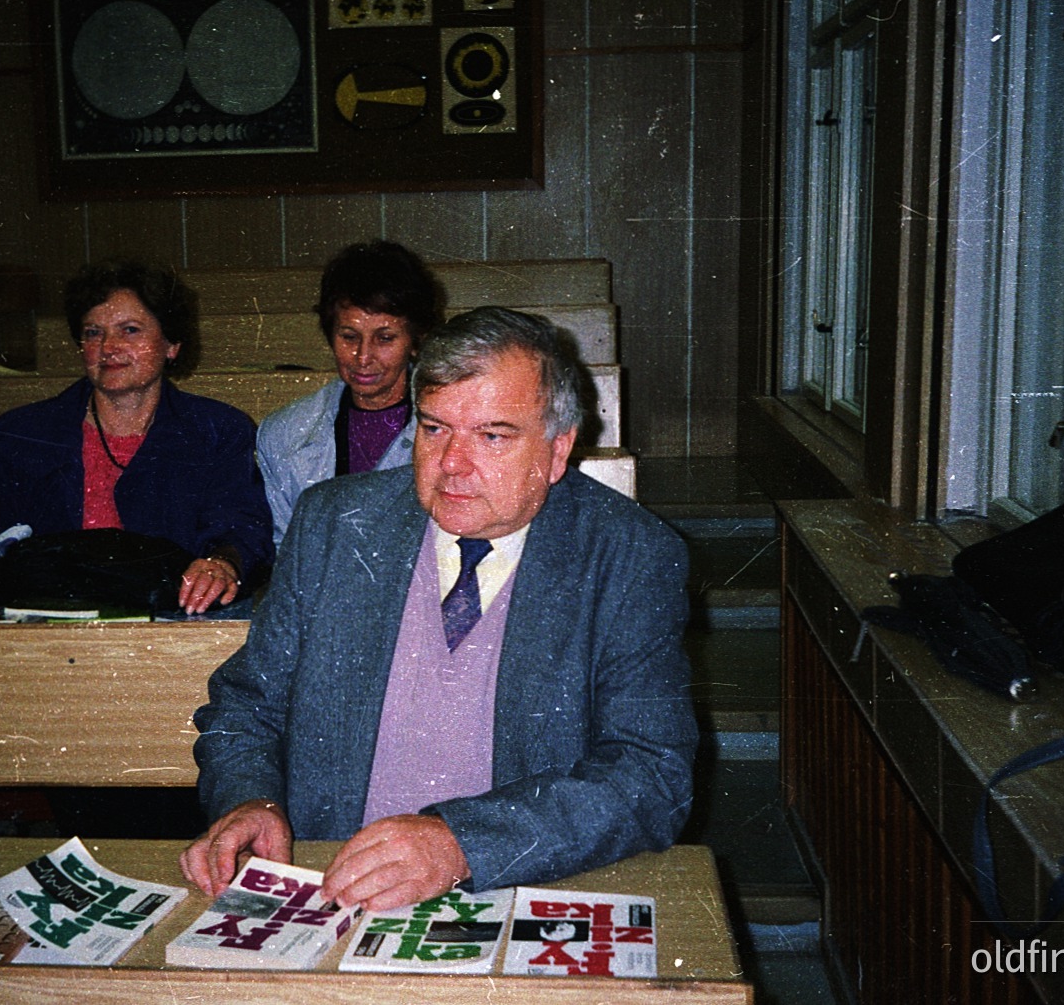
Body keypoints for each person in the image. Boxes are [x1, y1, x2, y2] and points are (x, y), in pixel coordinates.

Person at [183, 307, 696, 912]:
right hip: (329, 881)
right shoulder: (333, 524)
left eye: (492, 436)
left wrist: (462, 845)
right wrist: (251, 800)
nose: (451, 463)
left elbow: (653, 775)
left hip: (515, 887)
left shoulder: (630, 555)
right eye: (434, 429)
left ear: (558, 451)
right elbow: (246, 705)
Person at [0, 261, 272, 613]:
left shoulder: (217, 430)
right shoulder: (19, 435)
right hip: (35, 629)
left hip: (169, 622)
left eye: (130, 330)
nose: (108, 347)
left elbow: (242, 531)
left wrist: (223, 564)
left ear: (171, 345)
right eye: (93, 332)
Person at [256, 240, 442, 548]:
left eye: (384, 338)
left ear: (414, 340)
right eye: (349, 337)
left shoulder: (451, 427)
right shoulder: (283, 434)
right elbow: (284, 553)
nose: (363, 356)